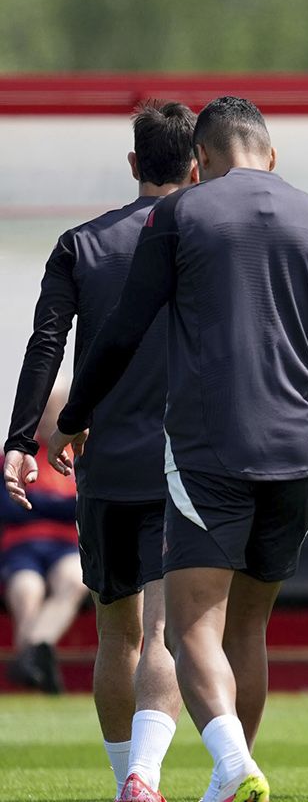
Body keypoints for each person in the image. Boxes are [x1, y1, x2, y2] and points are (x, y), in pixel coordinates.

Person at [48, 95, 308, 802]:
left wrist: (74, 414)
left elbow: (122, 328)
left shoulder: (182, 213)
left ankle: (233, 761)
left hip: (210, 451)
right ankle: (230, 776)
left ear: (199, 160)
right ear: (271, 154)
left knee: (189, 626)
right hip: (298, 453)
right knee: (250, 625)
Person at [4, 99, 195, 802]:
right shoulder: (206, 242)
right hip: (188, 465)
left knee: (118, 634)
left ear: (133, 163)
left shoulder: (80, 244)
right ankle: (147, 774)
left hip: (105, 463)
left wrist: (23, 436)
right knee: (164, 631)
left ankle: (126, 782)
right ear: (198, 162)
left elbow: (45, 344)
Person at [4, 394, 84, 697]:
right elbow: (10, 507)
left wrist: (37, 502)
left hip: (65, 547)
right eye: (46, 409)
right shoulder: (17, 455)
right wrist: (60, 505)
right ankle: (37, 674)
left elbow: (82, 507)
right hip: (22, 548)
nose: (51, 415)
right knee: (27, 590)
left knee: (75, 580)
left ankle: (31, 656)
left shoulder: (80, 455)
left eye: (57, 408)